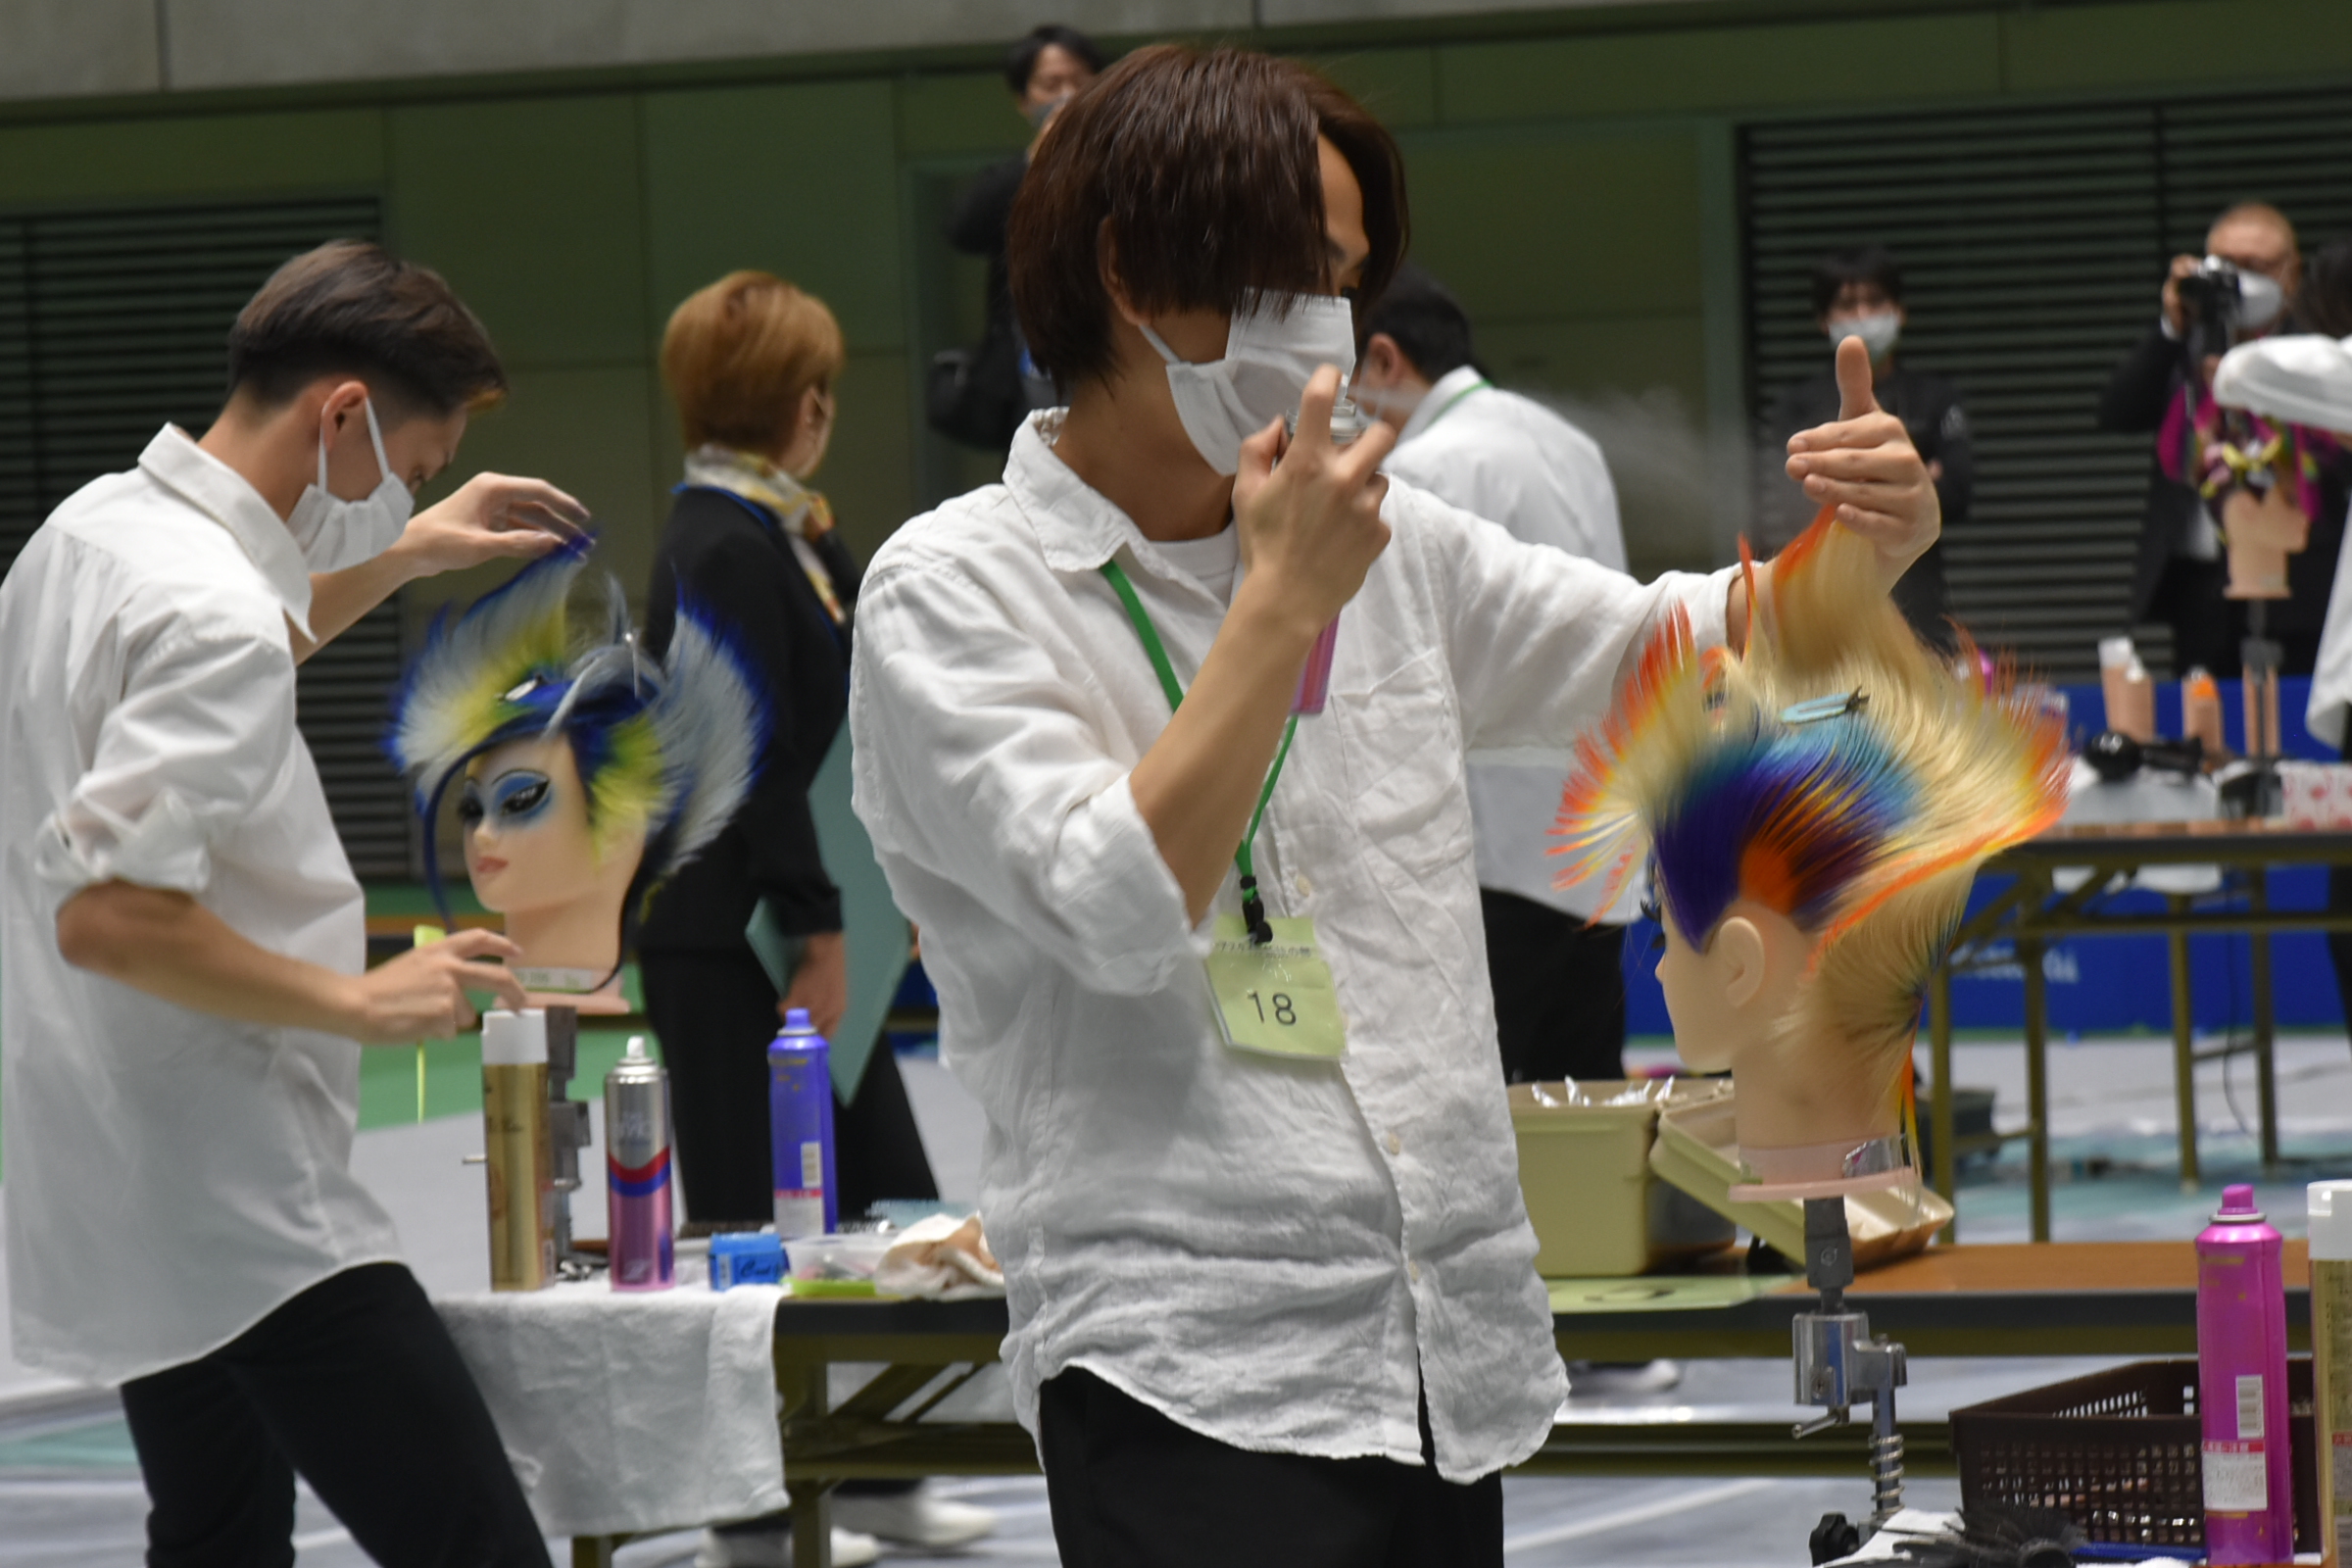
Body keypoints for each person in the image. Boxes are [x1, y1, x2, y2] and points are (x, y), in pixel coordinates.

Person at [848, 44, 1939, 1566]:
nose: (1333, 328)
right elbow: (1114, 902)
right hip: (1190, 1362)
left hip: (1437, 1338)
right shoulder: (953, 591)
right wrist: (1281, 606)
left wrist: (1858, 555)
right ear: (1128, 272)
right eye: (1295, 272)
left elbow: (1655, 648)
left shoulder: (1395, 540)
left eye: (1347, 280)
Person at [0, 239, 588, 1564]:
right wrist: (358, 1000)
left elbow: (222, 650)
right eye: (413, 469)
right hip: (244, 1186)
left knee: (217, 1540)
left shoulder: (87, 534)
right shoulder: (206, 605)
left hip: (121, 1171)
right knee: (479, 1545)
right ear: (343, 415)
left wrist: (405, 552)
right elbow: (103, 911)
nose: (403, 497)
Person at [636, 270, 990, 1566]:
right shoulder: (717, 543)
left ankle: (888, 1469)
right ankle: (749, 1514)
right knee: (752, 1227)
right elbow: (752, 760)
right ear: (799, 402)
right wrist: (822, 930)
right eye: (820, 387)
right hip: (735, 941)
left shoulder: (790, 531)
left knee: (892, 1200)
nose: (827, 408)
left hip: (807, 922)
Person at [1353, 264, 1633, 1088]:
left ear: (1383, 360)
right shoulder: (1570, 443)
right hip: (1598, 847)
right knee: (1585, 1113)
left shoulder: (1425, 470)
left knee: (1480, 1109)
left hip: (1495, 862)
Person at [2099, 201, 2351, 676]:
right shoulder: (2186, 342)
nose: (2240, 279)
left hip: (2299, 575)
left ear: (2291, 274)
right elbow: (2118, 411)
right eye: (2227, 265)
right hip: (2204, 582)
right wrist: (2173, 327)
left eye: (2256, 266)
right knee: (2206, 707)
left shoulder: (2317, 346)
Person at [1760, 244, 1974, 651]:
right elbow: (1792, 502)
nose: (1862, 314)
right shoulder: (1798, 405)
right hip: (1827, 618)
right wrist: (1911, 477)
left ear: (1900, 310)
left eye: (1875, 301)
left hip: (1921, 614)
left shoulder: (1935, 396)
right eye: (1847, 304)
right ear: (1823, 319)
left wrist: (1851, 484)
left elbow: (1960, 490)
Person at [931, 23, 1106, 451]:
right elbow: (963, 229)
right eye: (1051, 84)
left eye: (1080, 81)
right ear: (1024, 100)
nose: (1067, 96)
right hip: (1029, 374)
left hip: (1114, 356)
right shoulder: (1014, 175)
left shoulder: (1127, 165)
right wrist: (1038, 161)